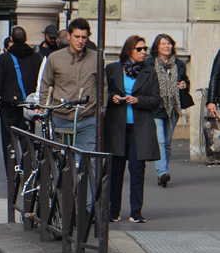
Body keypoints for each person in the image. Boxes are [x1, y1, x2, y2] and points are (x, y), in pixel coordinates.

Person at [105, 35, 161, 223]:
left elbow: (156, 100)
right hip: (117, 126)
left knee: (137, 169)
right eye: (139, 49)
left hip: (140, 127)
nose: (143, 52)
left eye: (144, 48)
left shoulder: (149, 71)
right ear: (129, 51)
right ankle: (114, 210)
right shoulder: (112, 69)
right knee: (116, 169)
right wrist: (112, 97)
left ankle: (136, 211)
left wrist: (138, 100)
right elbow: (104, 91)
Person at [37, 18, 100, 152]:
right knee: (62, 158)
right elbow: (46, 85)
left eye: (84, 37)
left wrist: (101, 110)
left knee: (87, 159)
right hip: (61, 116)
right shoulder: (55, 58)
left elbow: (102, 87)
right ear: (68, 36)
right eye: (77, 37)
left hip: (87, 117)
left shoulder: (96, 58)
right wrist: (43, 111)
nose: (80, 41)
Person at [0, 26, 44, 174]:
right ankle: (28, 168)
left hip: (8, 104)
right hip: (28, 105)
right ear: (26, 39)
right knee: (27, 137)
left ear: (11, 40)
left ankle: (11, 170)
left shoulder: (5, 58)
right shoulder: (36, 57)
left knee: (8, 139)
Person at [149, 34, 186, 188]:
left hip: (173, 108)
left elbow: (185, 80)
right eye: (163, 43)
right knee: (161, 141)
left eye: (169, 43)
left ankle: (163, 171)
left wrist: (184, 84)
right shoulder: (149, 64)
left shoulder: (178, 64)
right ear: (157, 47)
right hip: (156, 107)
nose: (167, 46)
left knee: (168, 143)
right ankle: (162, 172)